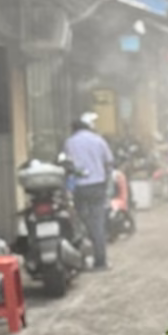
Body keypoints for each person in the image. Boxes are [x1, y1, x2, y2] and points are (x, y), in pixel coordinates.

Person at [64, 112, 114, 271]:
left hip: (80, 187)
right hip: (97, 186)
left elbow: (67, 166)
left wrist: (69, 188)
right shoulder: (98, 140)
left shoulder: (70, 142)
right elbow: (109, 162)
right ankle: (100, 262)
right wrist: (107, 183)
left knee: (80, 223)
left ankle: (82, 261)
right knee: (97, 224)